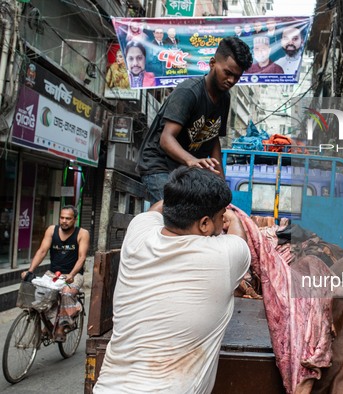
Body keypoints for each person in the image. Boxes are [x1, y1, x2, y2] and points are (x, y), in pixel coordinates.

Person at [93, 166, 251, 393]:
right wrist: (233, 217)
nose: (221, 224)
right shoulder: (224, 256)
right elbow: (239, 238)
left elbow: (157, 209)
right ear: (204, 224)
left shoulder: (138, 232)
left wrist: (183, 189)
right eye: (219, 218)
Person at [137, 37, 253, 203]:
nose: (231, 81)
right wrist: (191, 160)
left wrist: (222, 183)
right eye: (228, 73)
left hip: (184, 170)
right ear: (212, 63)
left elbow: (213, 139)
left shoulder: (224, 98)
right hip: (158, 166)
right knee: (177, 212)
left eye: (237, 77)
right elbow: (166, 139)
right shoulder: (189, 92)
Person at [20, 205, 89, 342]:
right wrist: (30, 270)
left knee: (66, 293)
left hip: (73, 275)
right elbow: (42, 251)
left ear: (75, 219)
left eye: (68, 218)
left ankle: (62, 326)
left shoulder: (82, 233)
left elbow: (82, 257)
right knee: (40, 296)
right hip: (53, 273)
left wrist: (72, 274)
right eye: (62, 218)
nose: (64, 221)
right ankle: (47, 324)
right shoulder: (52, 230)